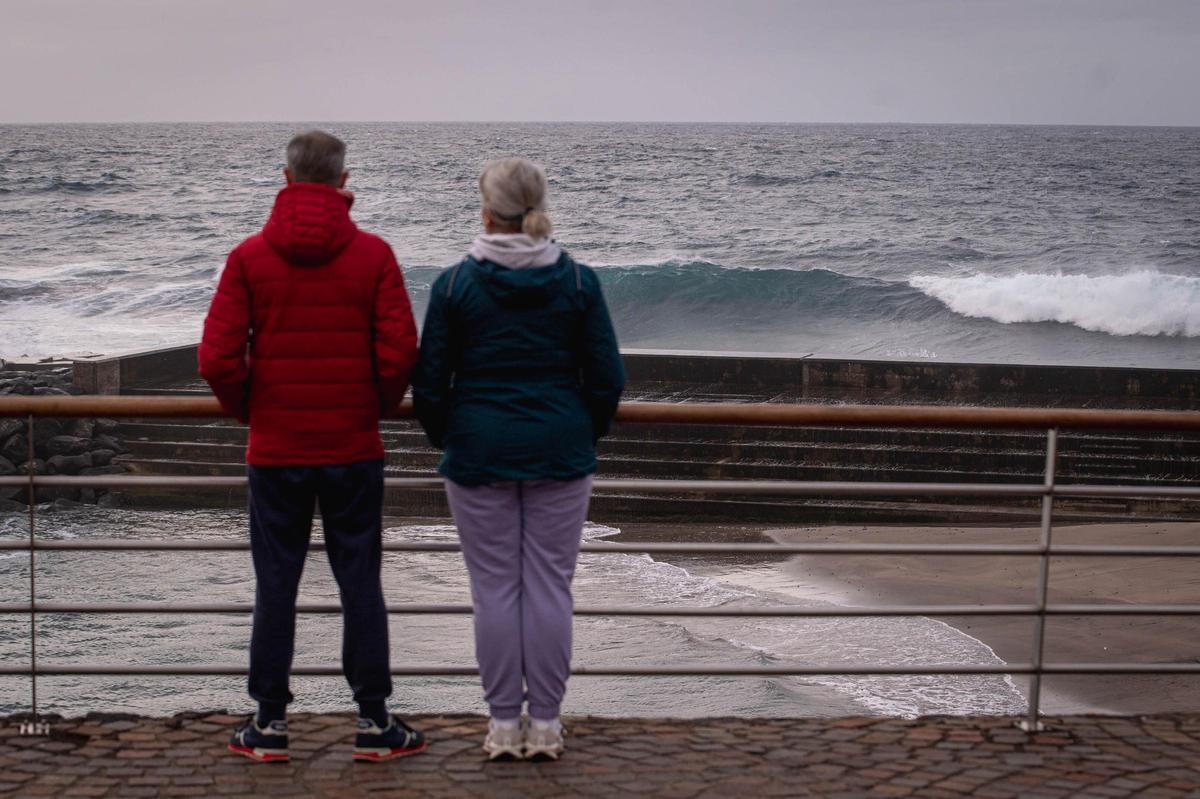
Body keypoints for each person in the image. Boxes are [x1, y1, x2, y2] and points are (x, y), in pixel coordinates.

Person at [199, 130, 425, 763]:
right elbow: (400, 350)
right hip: (353, 447)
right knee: (361, 583)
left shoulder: (248, 258)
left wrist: (250, 408)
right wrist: (376, 406)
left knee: (276, 585)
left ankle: (268, 724)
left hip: (275, 452)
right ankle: (375, 723)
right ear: (344, 180)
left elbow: (216, 357)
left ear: (286, 177)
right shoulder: (375, 255)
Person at [412, 157, 625, 760]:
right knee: (551, 587)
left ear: (486, 211)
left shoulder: (455, 285)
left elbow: (430, 383)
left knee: (495, 589)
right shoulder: (578, 281)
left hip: (478, 450)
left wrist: (450, 434)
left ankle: (505, 725)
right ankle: (549, 726)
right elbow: (607, 377)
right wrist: (584, 431)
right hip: (561, 447)